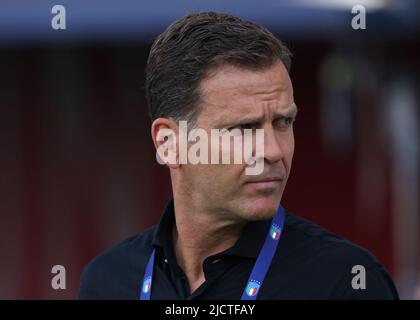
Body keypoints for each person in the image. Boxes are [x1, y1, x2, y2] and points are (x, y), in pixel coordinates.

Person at [79, 11, 399, 300]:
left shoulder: (346, 281)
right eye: (244, 128)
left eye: (283, 122)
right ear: (169, 144)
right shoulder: (108, 280)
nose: (273, 151)